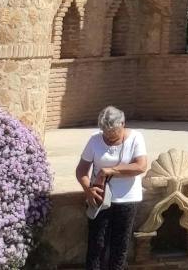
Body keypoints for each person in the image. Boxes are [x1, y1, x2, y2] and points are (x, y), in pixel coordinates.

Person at [77, 106, 150, 270]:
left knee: (120, 245)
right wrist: (88, 189)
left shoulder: (136, 138)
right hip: (100, 199)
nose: (109, 137)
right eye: (105, 133)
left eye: (113, 133)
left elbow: (141, 166)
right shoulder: (94, 140)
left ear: (123, 124)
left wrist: (109, 171)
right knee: (97, 244)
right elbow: (81, 170)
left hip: (127, 199)